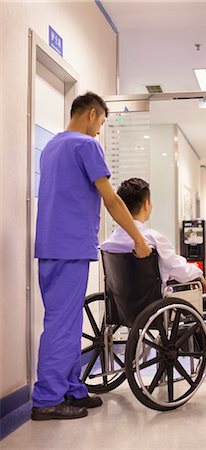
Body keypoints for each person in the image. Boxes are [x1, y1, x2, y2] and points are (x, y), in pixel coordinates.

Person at [32, 93, 151, 421]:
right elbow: (112, 200)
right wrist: (138, 239)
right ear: (92, 114)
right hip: (69, 246)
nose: (99, 131)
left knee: (66, 319)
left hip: (51, 246)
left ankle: (72, 388)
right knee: (62, 322)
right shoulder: (85, 145)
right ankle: (47, 398)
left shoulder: (53, 147)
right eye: (100, 123)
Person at [101, 177, 206, 343]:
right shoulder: (151, 238)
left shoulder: (109, 244)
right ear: (146, 204)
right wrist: (198, 273)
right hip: (157, 306)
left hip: (121, 307)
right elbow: (178, 269)